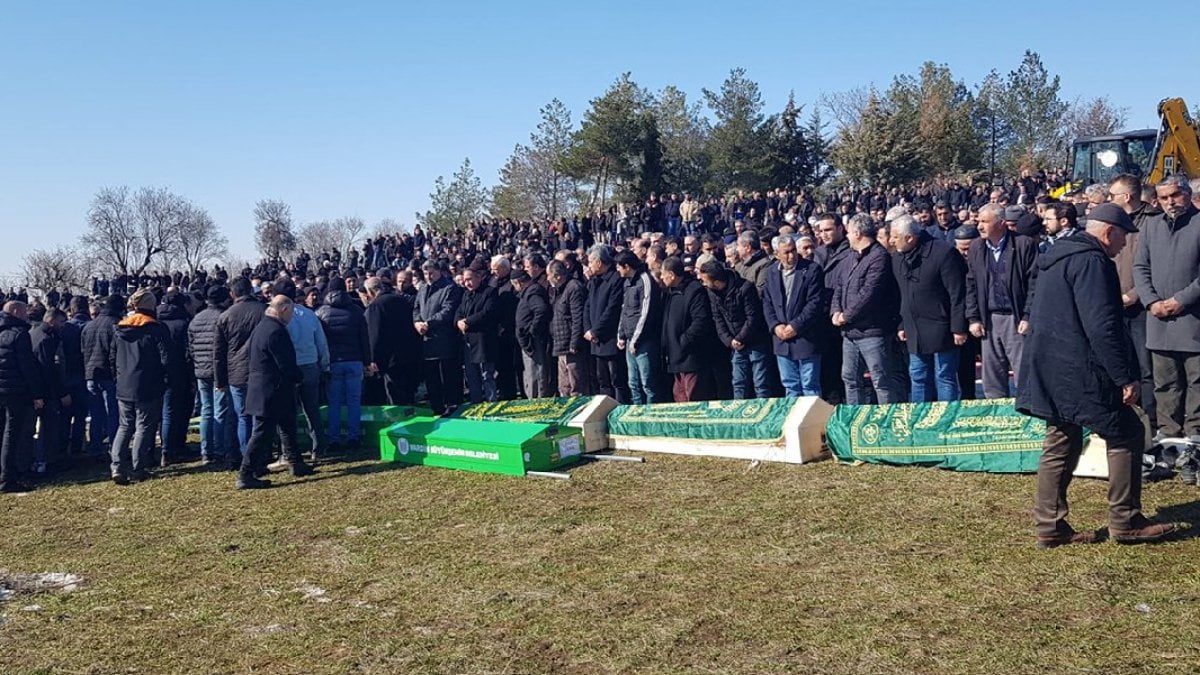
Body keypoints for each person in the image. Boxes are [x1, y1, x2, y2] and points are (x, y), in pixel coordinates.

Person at [1017, 204, 1176, 547]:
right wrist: (1124, 377)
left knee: (1061, 438)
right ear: (1108, 232)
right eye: (1123, 237)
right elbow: (1102, 326)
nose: (1124, 245)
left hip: (1050, 364)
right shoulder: (1092, 262)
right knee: (1127, 431)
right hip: (1080, 368)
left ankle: (1049, 525)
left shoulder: (1056, 256)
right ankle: (1126, 520)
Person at [1133, 175, 1200, 444]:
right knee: (1165, 382)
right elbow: (1140, 267)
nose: (1170, 202)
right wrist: (1151, 302)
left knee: (1197, 381)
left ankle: (1195, 434)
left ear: (1187, 194)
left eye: (1175, 195)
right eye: (1163, 198)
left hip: (1193, 318)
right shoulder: (1151, 226)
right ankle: (1169, 434)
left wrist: (1180, 300)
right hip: (1159, 319)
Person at [238, 295, 315, 489]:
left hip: (268, 387)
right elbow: (286, 363)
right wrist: (298, 377)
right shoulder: (275, 331)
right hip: (272, 389)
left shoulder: (263, 327)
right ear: (284, 309)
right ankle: (245, 473)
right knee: (262, 432)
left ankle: (296, 462)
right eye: (291, 313)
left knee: (287, 425)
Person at [890, 215, 968, 401]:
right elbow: (899, 295)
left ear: (910, 238)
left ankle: (946, 416)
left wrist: (958, 328)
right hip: (914, 327)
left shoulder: (944, 253)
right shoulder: (897, 257)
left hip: (942, 325)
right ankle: (921, 416)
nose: (891, 241)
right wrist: (902, 324)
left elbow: (957, 293)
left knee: (944, 376)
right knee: (918, 375)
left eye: (895, 237)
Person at [965, 203, 1038, 398]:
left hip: (1016, 318)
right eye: (978, 221)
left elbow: (1034, 284)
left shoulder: (1023, 244)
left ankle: (1027, 410)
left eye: (985, 222)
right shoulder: (976, 247)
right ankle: (996, 412)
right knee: (992, 378)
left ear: (1001, 223)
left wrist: (1028, 316)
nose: (980, 226)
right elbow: (971, 284)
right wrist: (973, 318)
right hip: (989, 319)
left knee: (1024, 373)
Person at [832, 215, 902, 404]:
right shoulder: (850, 256)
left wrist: (846, 315)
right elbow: (840, 286)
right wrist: (836, 311)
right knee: (850, 379)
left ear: (857, 233)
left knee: (881, 380)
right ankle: (855, 417)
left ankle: (887, 418)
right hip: (850, 332)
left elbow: (869, 293)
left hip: (872, 331)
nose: (846, 236)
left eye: (848, 232)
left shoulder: (879, 257)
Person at [1110, 173, 1159, 430]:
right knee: (1122, 364)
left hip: (1140, 307)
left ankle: (1151, 421)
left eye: (1113, 195)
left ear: (1127, 196)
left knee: (1145, 366)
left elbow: (1155, 265)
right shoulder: (1112, 221)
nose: (1109, 199)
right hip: (1115, 304)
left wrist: (1135, 294)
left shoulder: (1153, 221)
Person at [109, 290, 173, 485]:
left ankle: (117, 466)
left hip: (124, 384)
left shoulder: (119, 328)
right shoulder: (155, 328)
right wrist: (166, 379)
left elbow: (112, 358)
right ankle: (138, 467)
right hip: (148, 383)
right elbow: (166, 358)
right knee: (143, 426)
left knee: (124, 426)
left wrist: (118, 378)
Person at [762, 235, 826, 397]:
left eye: (793, 251)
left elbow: (814, 303)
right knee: (790, 386)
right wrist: (775, 326)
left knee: (810, 385)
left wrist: (795, 326)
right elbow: (767, 303)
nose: (791, 256)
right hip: (782, 340)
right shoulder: (771, 272)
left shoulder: (811, 270)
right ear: (777, 254)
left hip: (806, 337)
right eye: (786, 252)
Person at [701, 258, 773, 398]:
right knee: (738, 383)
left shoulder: (745, 288)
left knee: (761, 384)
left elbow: (753, 317)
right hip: (735, 345)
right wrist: (729, 341)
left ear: (716, 281)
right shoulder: (712, 292)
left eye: (705, 280)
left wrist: (740, 338)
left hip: (755, 342)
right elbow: (717, 318)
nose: (703, 283)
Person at [317, 278, 370, 452]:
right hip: (354, 359)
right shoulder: (356, 311)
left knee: (334, 403)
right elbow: (364, 339)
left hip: (332, 362)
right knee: (354, 401)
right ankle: (353, 437)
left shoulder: (321, 313)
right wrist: (367, 361)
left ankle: (334, 440)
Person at [215, 278, 264, 459]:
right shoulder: (264, 311)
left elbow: (219, 352)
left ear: (232, 294)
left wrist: (220, 380)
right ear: (251, 290)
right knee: (259, 416)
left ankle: (246, 457)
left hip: (236, 372)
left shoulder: (225, 316)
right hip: (260, 370)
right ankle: (259, 455)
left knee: (242, 416)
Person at [0, 302, 45, 493]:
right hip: (16, 390)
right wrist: (37, 394)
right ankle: (7, 478)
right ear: (16, 312)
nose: (27, 314)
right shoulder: (19, 334)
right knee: (12, 435)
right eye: (25, 311)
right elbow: (27, 367)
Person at [661, 256, 718, 402]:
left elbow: (700, 321)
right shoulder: (670, 293)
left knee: (694, 398)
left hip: (691, 358)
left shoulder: (694, 290)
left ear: (671, 275)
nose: (661, 277)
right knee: (680, 399)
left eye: (663, 273)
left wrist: (684, 341)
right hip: (675, 359)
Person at [189, 285, 234, 467]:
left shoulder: (196, 319)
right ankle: (219, 449)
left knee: (207, 411)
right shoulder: (224, 317)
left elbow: (191, 346)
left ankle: (206, 451)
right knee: (220, 410)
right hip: (220, 369)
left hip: (201, 369)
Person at [413, 261, 464, 415]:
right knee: (432, 379)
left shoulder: (449, 288)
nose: (428, 276)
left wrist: (428, 323)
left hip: (444, 341)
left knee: (447, 377)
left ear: (439, 271)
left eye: (431, 273)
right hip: (427, 342)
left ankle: (452, 407)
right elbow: (416, 308)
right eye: (425, 273)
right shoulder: (423, 288)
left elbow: (448, 310)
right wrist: (417, 322)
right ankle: (436, 407)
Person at [362, 276, 421, 406]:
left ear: (370, 292)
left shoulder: (376, 306)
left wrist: (372, 358)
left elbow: (374, 334)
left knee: (395, 395)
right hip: (410, 353)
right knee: (409, 394)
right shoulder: (401, 300)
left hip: (390, 359)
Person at [81, 294, 124, 460]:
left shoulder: (89, 326)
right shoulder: (115, 325)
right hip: (108, 374)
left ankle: (95, 447)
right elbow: (117, 352)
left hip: (90, 374)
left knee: (96, 414)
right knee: (113, 413)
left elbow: (83, 350)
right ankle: (114, 448)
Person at [584, 245, 628, 403]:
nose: (589, 265)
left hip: (610, 338)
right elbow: (587, 307)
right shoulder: (594, 281)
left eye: (591, 262)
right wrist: (588, 330)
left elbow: (612, 309)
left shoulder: (615, 279)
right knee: (603, 381)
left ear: (599, 262)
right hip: (596, 341)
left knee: (617, 380)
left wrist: (596, 331)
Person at [616, 251, 662, 405]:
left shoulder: (645, 280)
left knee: (648, 384)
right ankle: (637, 412)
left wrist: (636, 338)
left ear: (627, 266)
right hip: (630, 339)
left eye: (619, 267)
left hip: (644, 341)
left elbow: (646, 311)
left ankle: (651, 414)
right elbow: (624, 310)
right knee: (633, 383)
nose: (617, 270)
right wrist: (621, 335)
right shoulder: (627, 283)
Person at [156, 290, 193, 466]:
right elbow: (188, 351)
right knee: (178, 411)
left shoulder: (157, 323)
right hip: (180, 371)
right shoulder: (184, 324)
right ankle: (172, 449)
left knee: (165, 412)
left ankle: (166, 447)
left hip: (159, 372)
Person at [455, 265, 500, 403]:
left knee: (487, 375)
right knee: (472, 375)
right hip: (468, 341)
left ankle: (491, 403)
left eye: (469, 279)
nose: (467, 283)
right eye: (464, 280)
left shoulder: (489, 292)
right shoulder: (466, 294)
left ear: (478, 277)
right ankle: (476, 403)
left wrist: (467, 321)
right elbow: (459, 311)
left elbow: (487, 312)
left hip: (483, 340)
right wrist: (458, 322)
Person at [548, 260, 588, 397]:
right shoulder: (559, 290)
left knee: (576, 385)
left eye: (549, 275)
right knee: (564, 386)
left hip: (571, 346)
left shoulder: (574, 288)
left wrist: (574, 342)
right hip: (561, 344)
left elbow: (577, 317)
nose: (547, 279)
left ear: (558, 276)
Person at [513, 269, 552, 398]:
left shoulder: (533, 292)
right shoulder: (528, 292)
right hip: (528, 340)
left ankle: (538, 401)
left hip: (534, 341)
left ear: (518, 283)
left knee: (536, 373)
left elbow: (541, 309)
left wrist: (532, 330)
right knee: (530, 373)